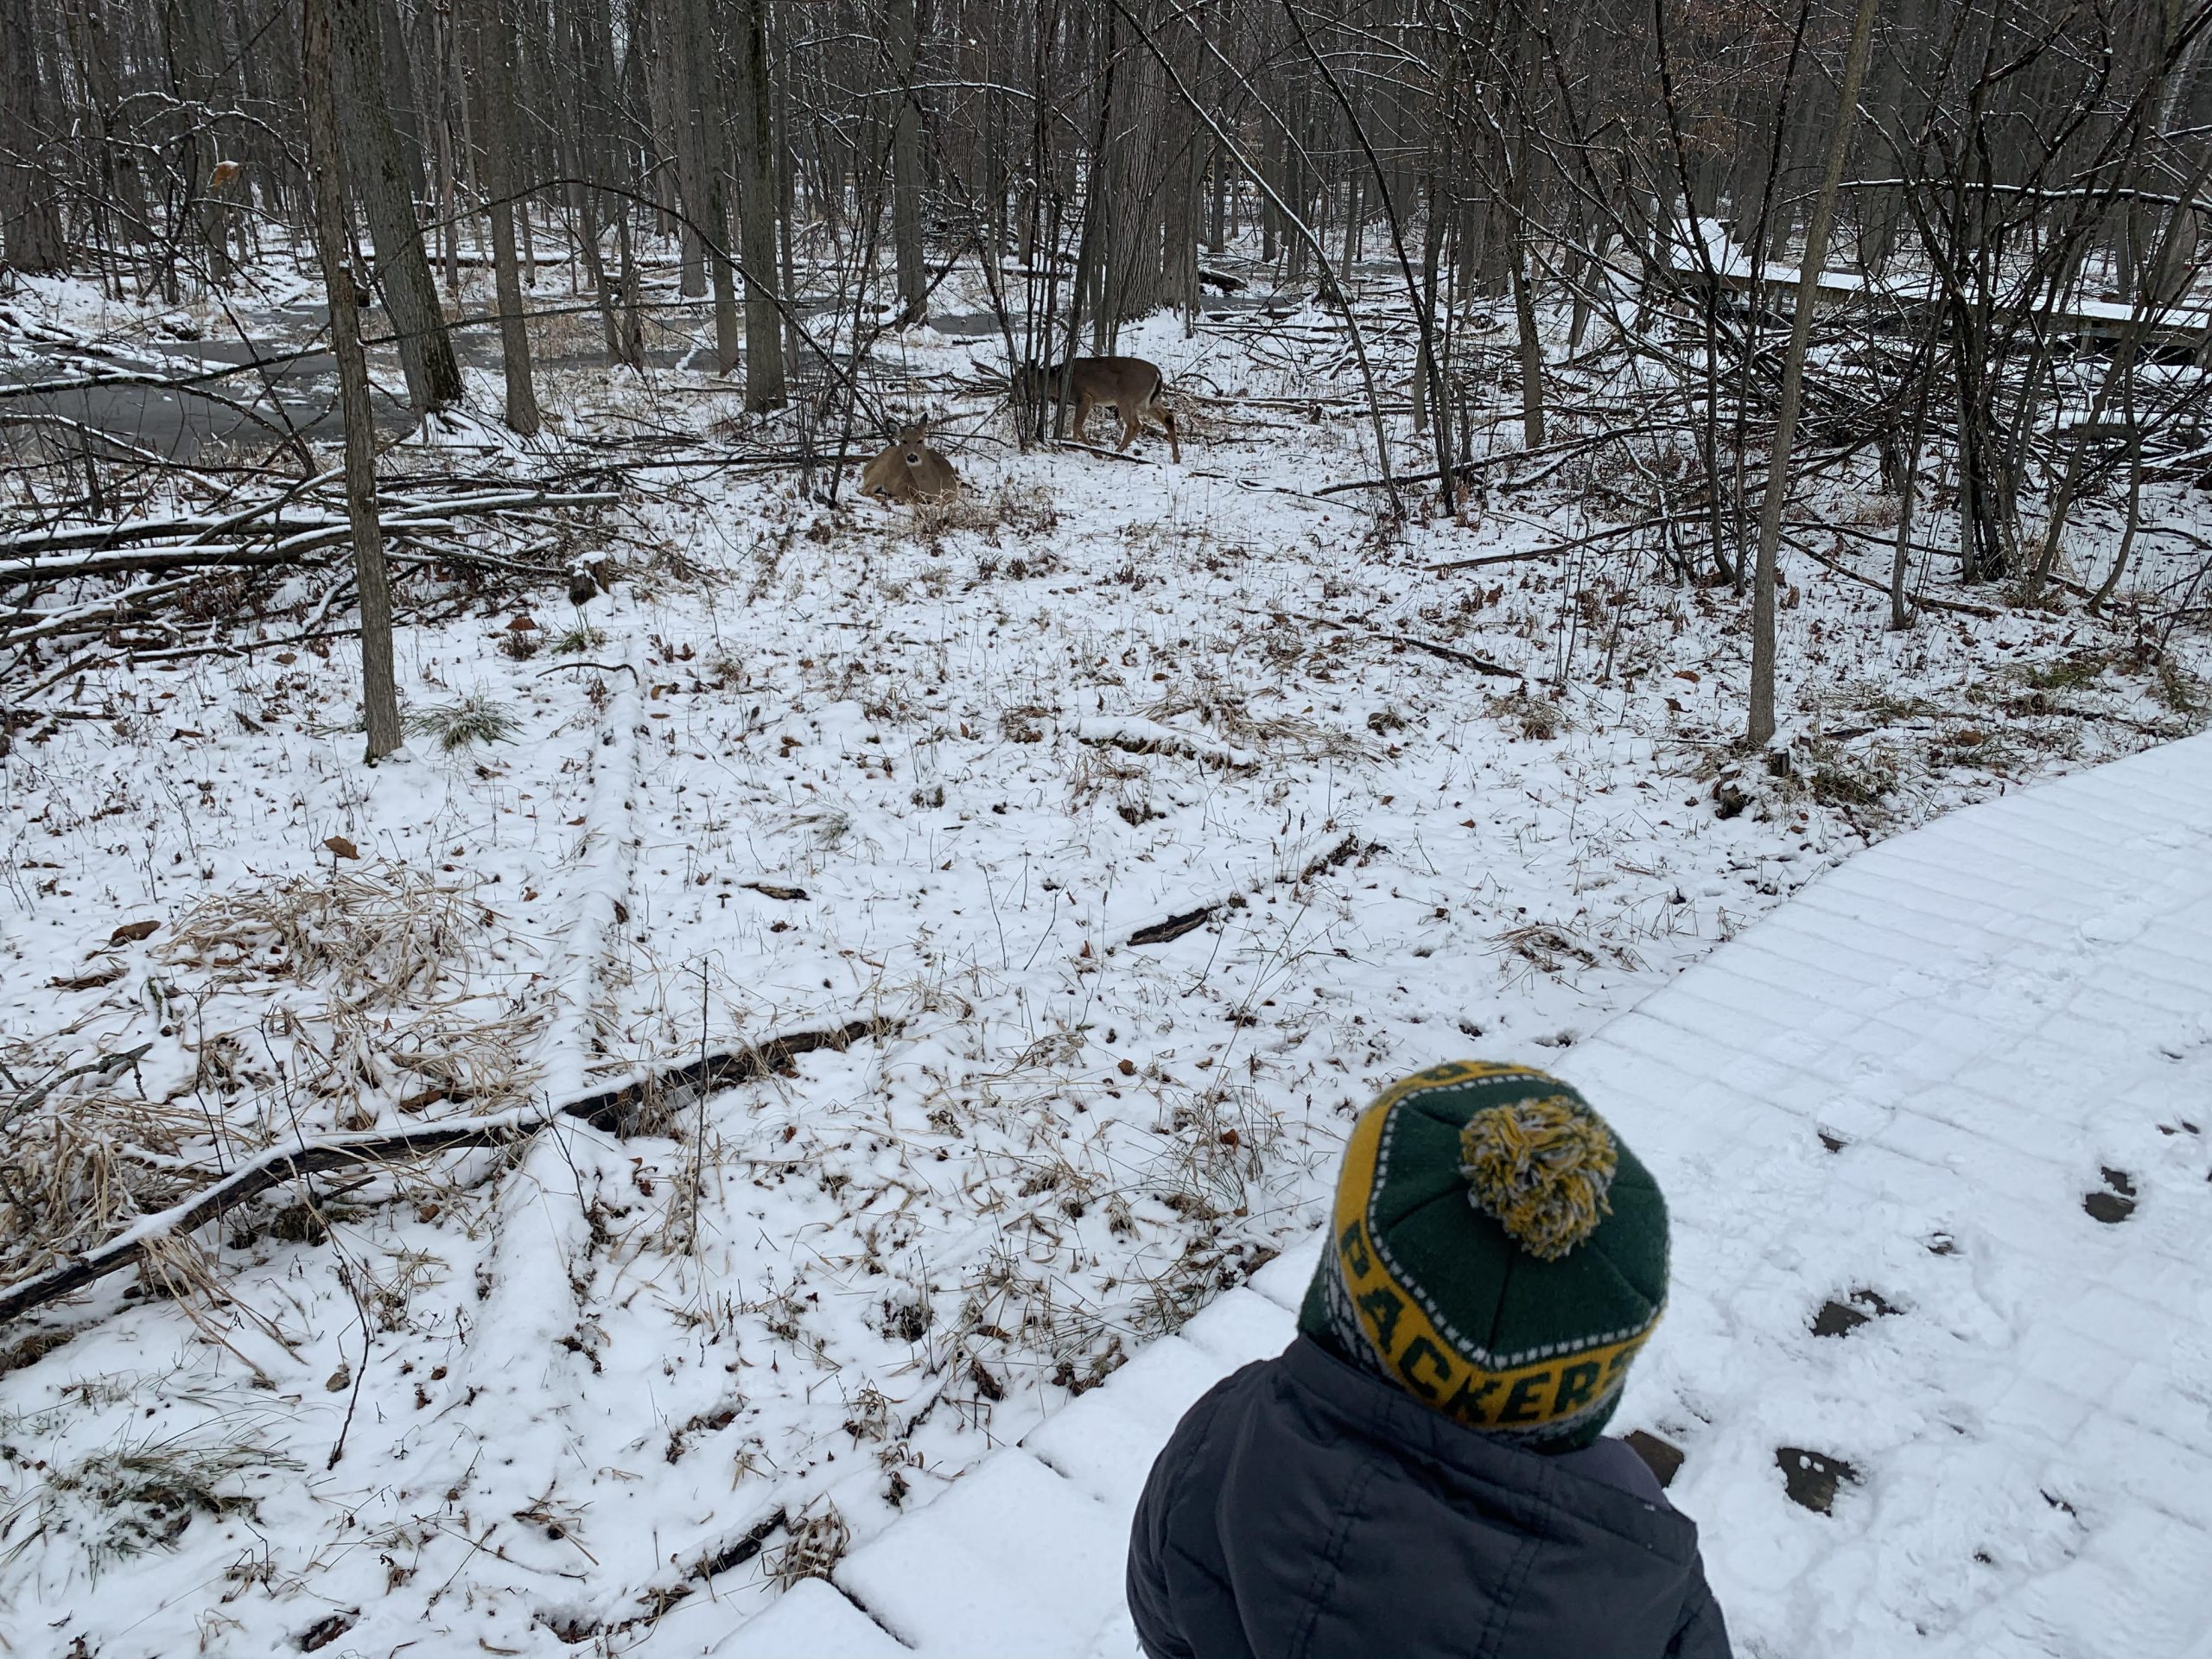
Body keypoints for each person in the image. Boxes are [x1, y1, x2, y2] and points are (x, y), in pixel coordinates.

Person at [1126, 1060, 1731, 1658]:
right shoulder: (1645, 1572)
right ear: (1586, 1392)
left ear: (1344, 1289)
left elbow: (1166, 1623)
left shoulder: (1221, 1446)